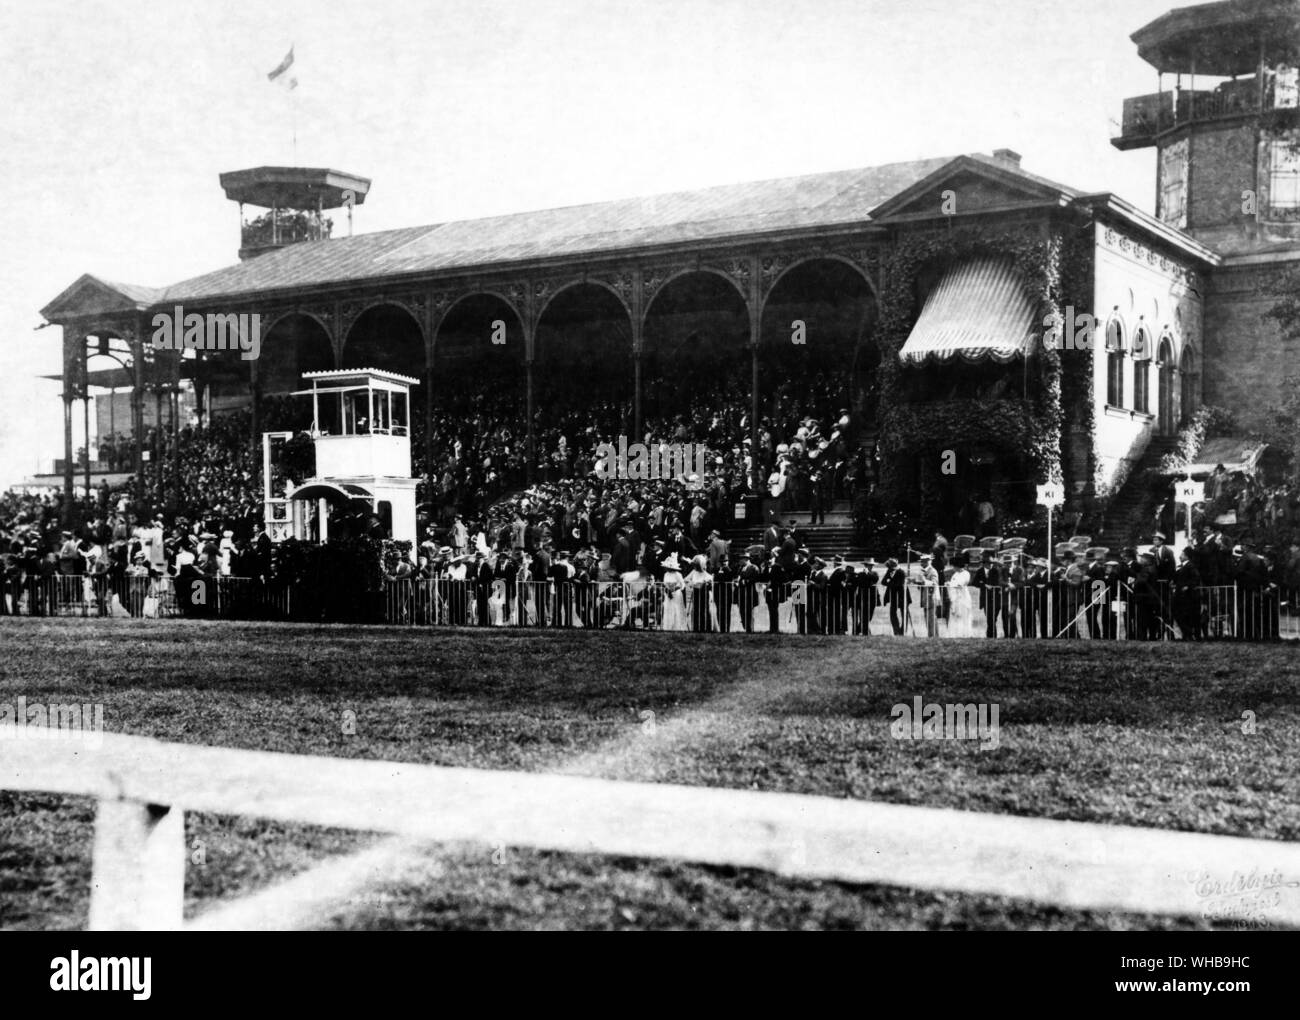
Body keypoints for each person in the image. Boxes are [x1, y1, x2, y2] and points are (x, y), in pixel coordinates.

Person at [1172, 546, 1202, 640]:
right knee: (1181, 615)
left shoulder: (1190, 566)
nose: (1180, 556)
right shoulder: (1182, 566)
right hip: (1181, 594)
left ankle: (1189, 634)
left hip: (1187, 596)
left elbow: (1196, 578)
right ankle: (1187, 634)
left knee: (1185, 615)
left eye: (1182, 554)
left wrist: (1187, 586)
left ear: (1187, 556)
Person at [947, 553, 973, 638]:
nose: (953, 568)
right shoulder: (955, 574)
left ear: (957, 566)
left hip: (963, 597)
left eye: (954, 566)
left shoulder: (966, 573)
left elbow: (960, 584)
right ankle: (956, 633)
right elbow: (953, 585)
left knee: (964, 615)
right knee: (956, 616)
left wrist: (950, 584)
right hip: (955, 597)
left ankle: (965, 634)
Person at [660, 553, 688, 631]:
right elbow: (664, 584)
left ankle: (678, 627)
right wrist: (668, 590)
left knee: (677, 610)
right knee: (668, 609)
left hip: (676, 594)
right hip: (668, 594)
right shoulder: (666, 574)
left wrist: (675, 588)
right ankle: (668, 627)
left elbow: (683, 585)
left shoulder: (678, 574)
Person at [883, 557, 908, 635]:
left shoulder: (901, 572)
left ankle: (902, 631)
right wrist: (890, 583)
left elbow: (899, 584)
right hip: (893, 596)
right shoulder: (889, 571)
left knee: (904, 614)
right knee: (892, 613)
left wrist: (890, 582)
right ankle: (896, 631)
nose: (890, 568)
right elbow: (883, 581)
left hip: (902, 596)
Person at [918, 553, 939, 637]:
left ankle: (933, 635)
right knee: (927, 617)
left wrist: (924, 581)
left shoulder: (933, 571)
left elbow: (934, 583)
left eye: (923, 562)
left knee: (931, 617)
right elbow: (922, 584)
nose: (921, 564)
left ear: (928, 562)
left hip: (931, 596)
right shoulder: (923, 572)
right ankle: (930, 635)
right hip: (925, 597)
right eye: (921, 562)